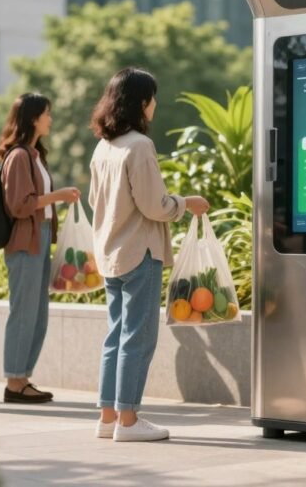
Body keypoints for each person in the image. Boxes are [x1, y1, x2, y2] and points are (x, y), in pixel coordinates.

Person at [88, 68, 209, 442]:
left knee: (116, 335)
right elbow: (154, 206)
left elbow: (96, 201)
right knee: (138, 337)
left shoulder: (104, 146)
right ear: (141, 102)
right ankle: (129, 420)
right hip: (140, 252)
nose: (155, 104)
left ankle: (108, 417)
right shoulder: (139, 145)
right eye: (153, 97)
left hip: (110, 252)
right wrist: (186, 203)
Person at [0, 93, 81, 404]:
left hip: (40, 236)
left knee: (38, 314)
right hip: (25, 239)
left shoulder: (33, 155)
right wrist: (57, 196)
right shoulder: (19, 157)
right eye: (47, 114)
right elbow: (20, 205)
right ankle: (14, 382)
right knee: (24, 311)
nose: (50, 119)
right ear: (33, 118)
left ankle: (23, 378)